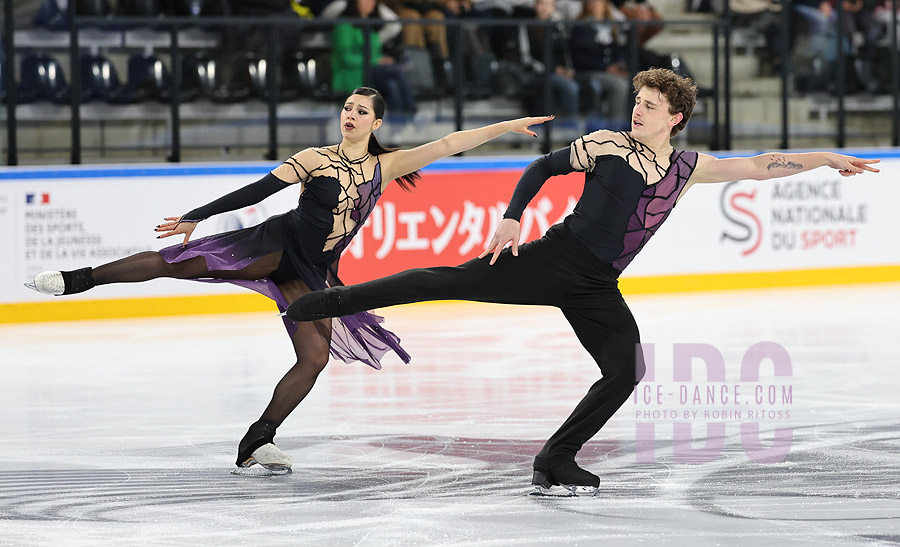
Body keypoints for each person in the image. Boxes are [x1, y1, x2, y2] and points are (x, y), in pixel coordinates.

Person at [283, 68, 880, 495]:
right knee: (441, 278)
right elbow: (543, 165)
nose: (637, 109)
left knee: (625, 370)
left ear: (675, 118)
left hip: (596, 285)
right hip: (555, 259)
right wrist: (513, 217)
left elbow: (757, 166)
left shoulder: (688, 166)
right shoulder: (606, 145)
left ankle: (555, 459)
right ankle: (324, 302)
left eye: (649, 105)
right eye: (637, 99)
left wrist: (824, 158)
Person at [26, 86, 552, 474]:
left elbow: (449, 143)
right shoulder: (314, 159)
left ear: (376, 121)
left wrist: (505, 128)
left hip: (314, 271)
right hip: (273, 246)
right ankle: (76, 280)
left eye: (361, 111)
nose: (350, 115)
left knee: (315, 357)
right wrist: (196, 215)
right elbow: (254, 192)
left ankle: (257, 439)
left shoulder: (386, 166)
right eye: (347, 108)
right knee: (180, 263)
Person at [331, 0, 418, 114]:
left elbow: (375, 53)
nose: (369, 3)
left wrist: (383, 60)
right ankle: (411, 113)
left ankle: (398, 124)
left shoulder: (372, 26)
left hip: (372, 70)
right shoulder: (344, 25)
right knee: (396, 71)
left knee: (392, 85)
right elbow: (346, 58)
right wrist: (376, 61)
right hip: (352, 72)